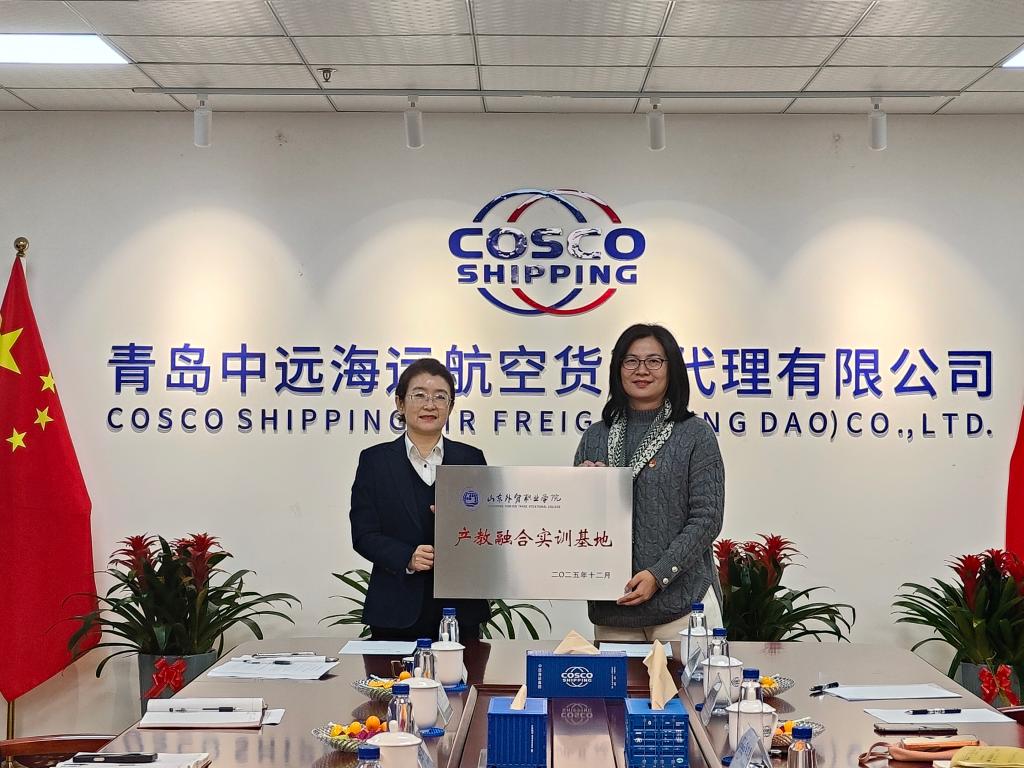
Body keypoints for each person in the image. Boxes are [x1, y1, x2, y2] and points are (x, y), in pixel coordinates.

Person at [574, 323, 725, 642]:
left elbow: (707, 518)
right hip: (614, 610)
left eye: (654, 361)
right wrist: (583, 491)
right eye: (631, 361)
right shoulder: (595, 437)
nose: (641, 370)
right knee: (617, 680)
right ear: (618, 368)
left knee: (692, 679)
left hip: (683, 608)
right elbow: (576, 523)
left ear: (672, 368)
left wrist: (659, 574)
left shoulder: (695, 434)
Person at [350, 357, 489, 641]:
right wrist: (407, 557)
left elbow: (488, 528)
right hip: (394, 609)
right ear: (400, 403)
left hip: (460, 610)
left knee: (464, 672)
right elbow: (363, 534)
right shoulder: (375, 461)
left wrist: (460, 523)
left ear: (451, 406)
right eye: (420, 395)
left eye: (440, 396)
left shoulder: (471, 459)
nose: (430, 405)